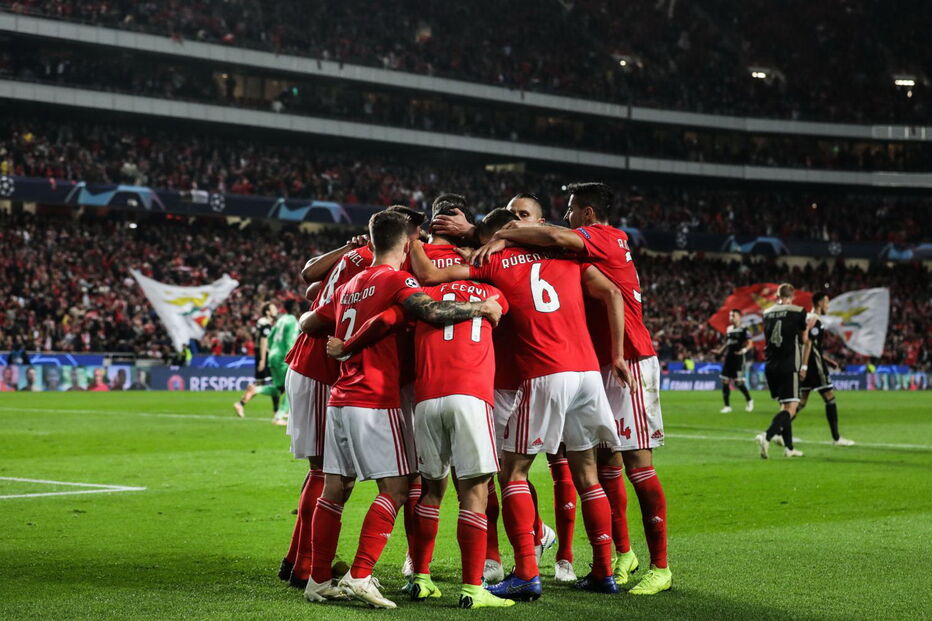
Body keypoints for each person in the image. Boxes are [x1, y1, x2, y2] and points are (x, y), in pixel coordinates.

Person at [409, 211, 625, 599]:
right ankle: (604, 571)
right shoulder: (566, 256)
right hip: (589, 373)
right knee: (587, 473)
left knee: (513, 473)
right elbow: (609, 288)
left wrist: (413, 241)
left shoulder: (492, 261)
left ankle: (526, 571)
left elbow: (430, 277)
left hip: (545, 371)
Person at [474, 181, 672, 595]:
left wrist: (503, 234)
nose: (566, 216)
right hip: (589, 365)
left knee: (635, 463)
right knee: (599, 467)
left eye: (569, 209)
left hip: (627, 359)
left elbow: (565, 248)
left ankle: (660, 566)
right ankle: (614, 559)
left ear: (585, 214)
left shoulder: (599, 237)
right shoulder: (570, 255)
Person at [298, 210, 502, 609]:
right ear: (408, 244)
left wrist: (345, 339)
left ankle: (318, 579)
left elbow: (309, 321)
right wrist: (480, 309)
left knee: (335, 489)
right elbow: (431, 311)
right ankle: (360, 574)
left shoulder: (352, 282)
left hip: (340, 397)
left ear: (372, 242)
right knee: (397, 486)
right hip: (375, 398)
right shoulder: (398, 279)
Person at [327, 276, 515, 609]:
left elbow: (385, 318)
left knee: (430, 490)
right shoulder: (493, 292)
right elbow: (501, 315)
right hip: (471, 395)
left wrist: (347, 344)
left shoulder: (423, 294)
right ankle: (474, 589)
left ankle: (421, 578)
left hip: (427, 399)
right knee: (474, 491)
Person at [755, 283, 813, 458]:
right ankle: (767, 436)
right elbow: (804, 340)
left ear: (777, 296)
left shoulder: (766, 313)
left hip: (771, 365)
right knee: (792, 408)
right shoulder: (799, 311)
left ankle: (789, 448)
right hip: (789, 364)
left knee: (784, 405)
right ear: (792, 296)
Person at [798, 292, 855, 446]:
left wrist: (827, 360)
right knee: (829, 397)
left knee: (801, 401)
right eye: (827, 303)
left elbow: (811, 346)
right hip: (813, 365)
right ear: (819, 303)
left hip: (808, 362)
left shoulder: (807, 318)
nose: (828, 306)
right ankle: (836, 438)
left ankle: (777, 431)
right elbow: (809, 344)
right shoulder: (816, 320)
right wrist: (804, 366)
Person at [233, 302, 279, 417]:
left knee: (260, 383)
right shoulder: (265, 323)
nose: (276, 310)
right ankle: (277, 412)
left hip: (261, 354)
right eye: (273, 309)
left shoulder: (263, 322)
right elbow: (264, 342)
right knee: (274, 383)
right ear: (268, 312)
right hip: (264, 355)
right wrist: (263, 360)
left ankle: (240, 404)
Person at [266, 299, 302, 425]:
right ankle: (279, 416)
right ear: (293, 308)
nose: (298, 309)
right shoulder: (292, 320)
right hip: (283, 357)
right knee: (291, 387)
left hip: (272, 355)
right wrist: (292, 357)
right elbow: (290, 341)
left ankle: (256, 390)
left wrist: (272, 350)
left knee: (277, 388)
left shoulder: (280, 319)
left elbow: (270, 337)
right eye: (296, 306)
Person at [717, 309, 754, 413]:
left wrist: (744, 350)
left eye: (733, 315)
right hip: (729, 357)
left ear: (739, 316)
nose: (731, 317)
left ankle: (749, 400)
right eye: (730, 315)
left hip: (739, 358)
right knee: (725, 381)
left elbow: (750, 343)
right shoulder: (729, 329)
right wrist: (720, 351)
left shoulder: (744, 329)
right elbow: (728, 342)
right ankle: (727, 406)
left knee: (738, 383)